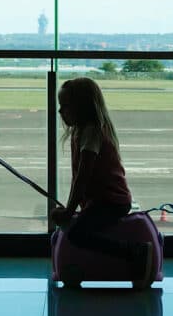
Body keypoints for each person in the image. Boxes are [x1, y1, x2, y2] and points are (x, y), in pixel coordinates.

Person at [49, 77, 153, 284]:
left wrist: (69, 211)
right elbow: (80, 179)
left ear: (82, 107)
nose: (60, 112)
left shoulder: (91, 132)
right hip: (104, 201)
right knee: (76, 228)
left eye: (65, 106)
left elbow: (82, 178)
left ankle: (135, 251)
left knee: (77, 234)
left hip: (112, 202)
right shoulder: (83, 131)